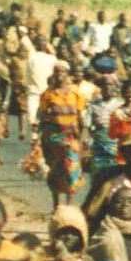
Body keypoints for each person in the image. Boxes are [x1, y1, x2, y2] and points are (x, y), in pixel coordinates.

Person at [38, 67, 87, 208]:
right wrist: (39, 138)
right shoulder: (48, 94)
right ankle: (56, 205)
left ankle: (69, 205)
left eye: (63, 72)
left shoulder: (76, 93)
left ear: (67, 74)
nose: (60, 74)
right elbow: (42, 115)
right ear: (53, 74)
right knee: (55, 170)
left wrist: (83, 136)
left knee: (71, 170)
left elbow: (81, 116)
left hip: (71, 136)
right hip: (54, 137)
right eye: (57, 72)